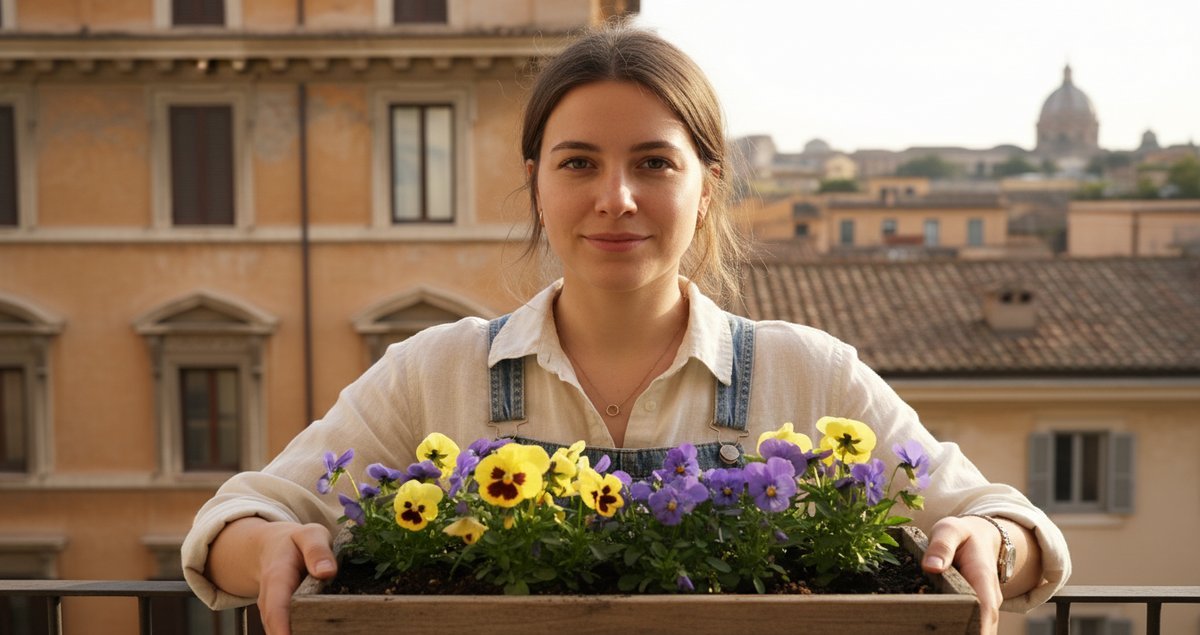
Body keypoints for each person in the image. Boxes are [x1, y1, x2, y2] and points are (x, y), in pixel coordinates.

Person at [182, 24, 1070, 635]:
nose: (617, 198)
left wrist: (991, 540)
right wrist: (270, 545)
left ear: (707, 185)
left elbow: (1004, 520)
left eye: (654, 162)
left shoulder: (809, 371)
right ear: (537, 182)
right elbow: (237, 519)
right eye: (579, 163)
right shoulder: (436, 369)